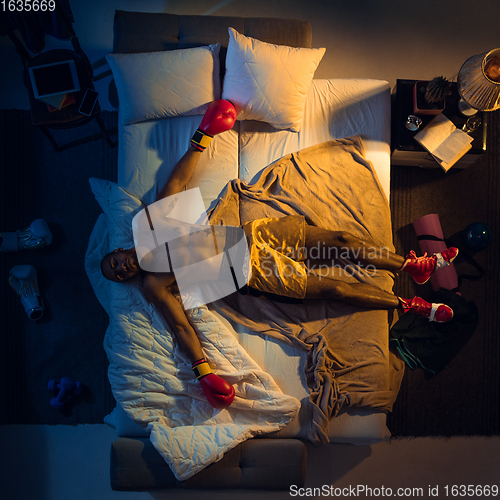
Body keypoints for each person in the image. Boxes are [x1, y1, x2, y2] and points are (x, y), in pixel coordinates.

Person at [101, 99, 458, 409]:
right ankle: (410, 307)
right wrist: (203, 372)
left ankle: (413, 266)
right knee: (335, 290)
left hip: (256, 235)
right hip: (253, 273)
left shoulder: (149, 228)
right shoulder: (153, 285)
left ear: (120, 250)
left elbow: (175, 183)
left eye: (116, 262)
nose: (122, 268)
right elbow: (180, 325)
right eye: (119, 274)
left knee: (340, 241)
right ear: (127, 279)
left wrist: (203, 134)